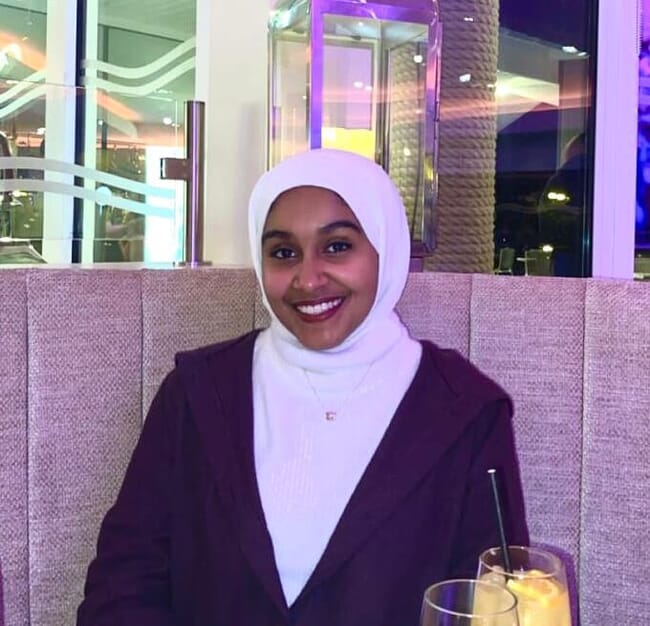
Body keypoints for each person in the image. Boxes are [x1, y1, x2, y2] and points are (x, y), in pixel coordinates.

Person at [77, 148, 529, 625]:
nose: (308, 279)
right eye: (283, 252)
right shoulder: (199, 394)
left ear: (385, 248)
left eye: (337, 246)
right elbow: (122, 590)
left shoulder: (465, 412)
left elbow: (497, 604)